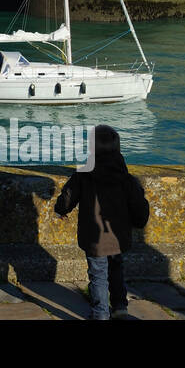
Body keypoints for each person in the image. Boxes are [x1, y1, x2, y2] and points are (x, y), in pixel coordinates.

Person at [54, 125, 149, 320]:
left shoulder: (83, 175)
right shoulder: (127, 179)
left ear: (91, 149)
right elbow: (139, 204)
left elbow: (68, 197)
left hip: (94, 237)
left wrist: (61, 210)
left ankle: (100, 313)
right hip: (119, 236)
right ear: (118, 149)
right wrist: (139, 222)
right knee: (116, 268)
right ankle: (120, 306)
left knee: (98, 275)